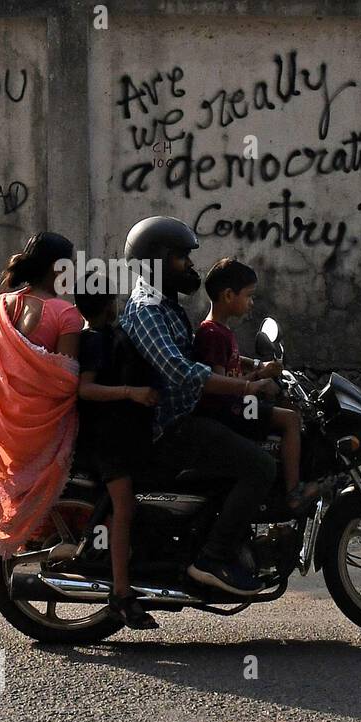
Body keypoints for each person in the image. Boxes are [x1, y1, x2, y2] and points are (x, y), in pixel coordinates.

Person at [118, 216, 277, 596]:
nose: (190, 266)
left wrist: (256, 368)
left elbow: (195, 357)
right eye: (181, 259)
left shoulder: (166, 303)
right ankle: (212, 558)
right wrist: (246, 388)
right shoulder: (147, 310)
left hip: (188, 416)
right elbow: (182, 371)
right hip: (170, 429)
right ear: (156, 261)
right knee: (261, 466)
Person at [0, 232, 83, 556]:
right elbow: (66, 382)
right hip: (46, 431)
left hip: (1, 432)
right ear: (57, 268)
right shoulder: (66, 314)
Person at [194, 258, 320, 517]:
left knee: (287, 406)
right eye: (249, 296)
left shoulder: (220, 331)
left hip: (235, 408)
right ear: (229, 295)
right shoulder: (212, 334)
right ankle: (293, 492)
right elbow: (219, 385)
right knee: (291, 420)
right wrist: (258, 380)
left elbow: (232, 363)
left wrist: (259, 366)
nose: (252, 303)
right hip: (227, 413)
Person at [74, 292, 161, 630]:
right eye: (112, 299)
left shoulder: (111, 335)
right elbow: (85, 389)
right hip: (106, 440)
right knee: (125, 507)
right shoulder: (93, 340)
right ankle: (121, 594)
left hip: (123, 435)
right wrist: (130, 392)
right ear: (107, 304)